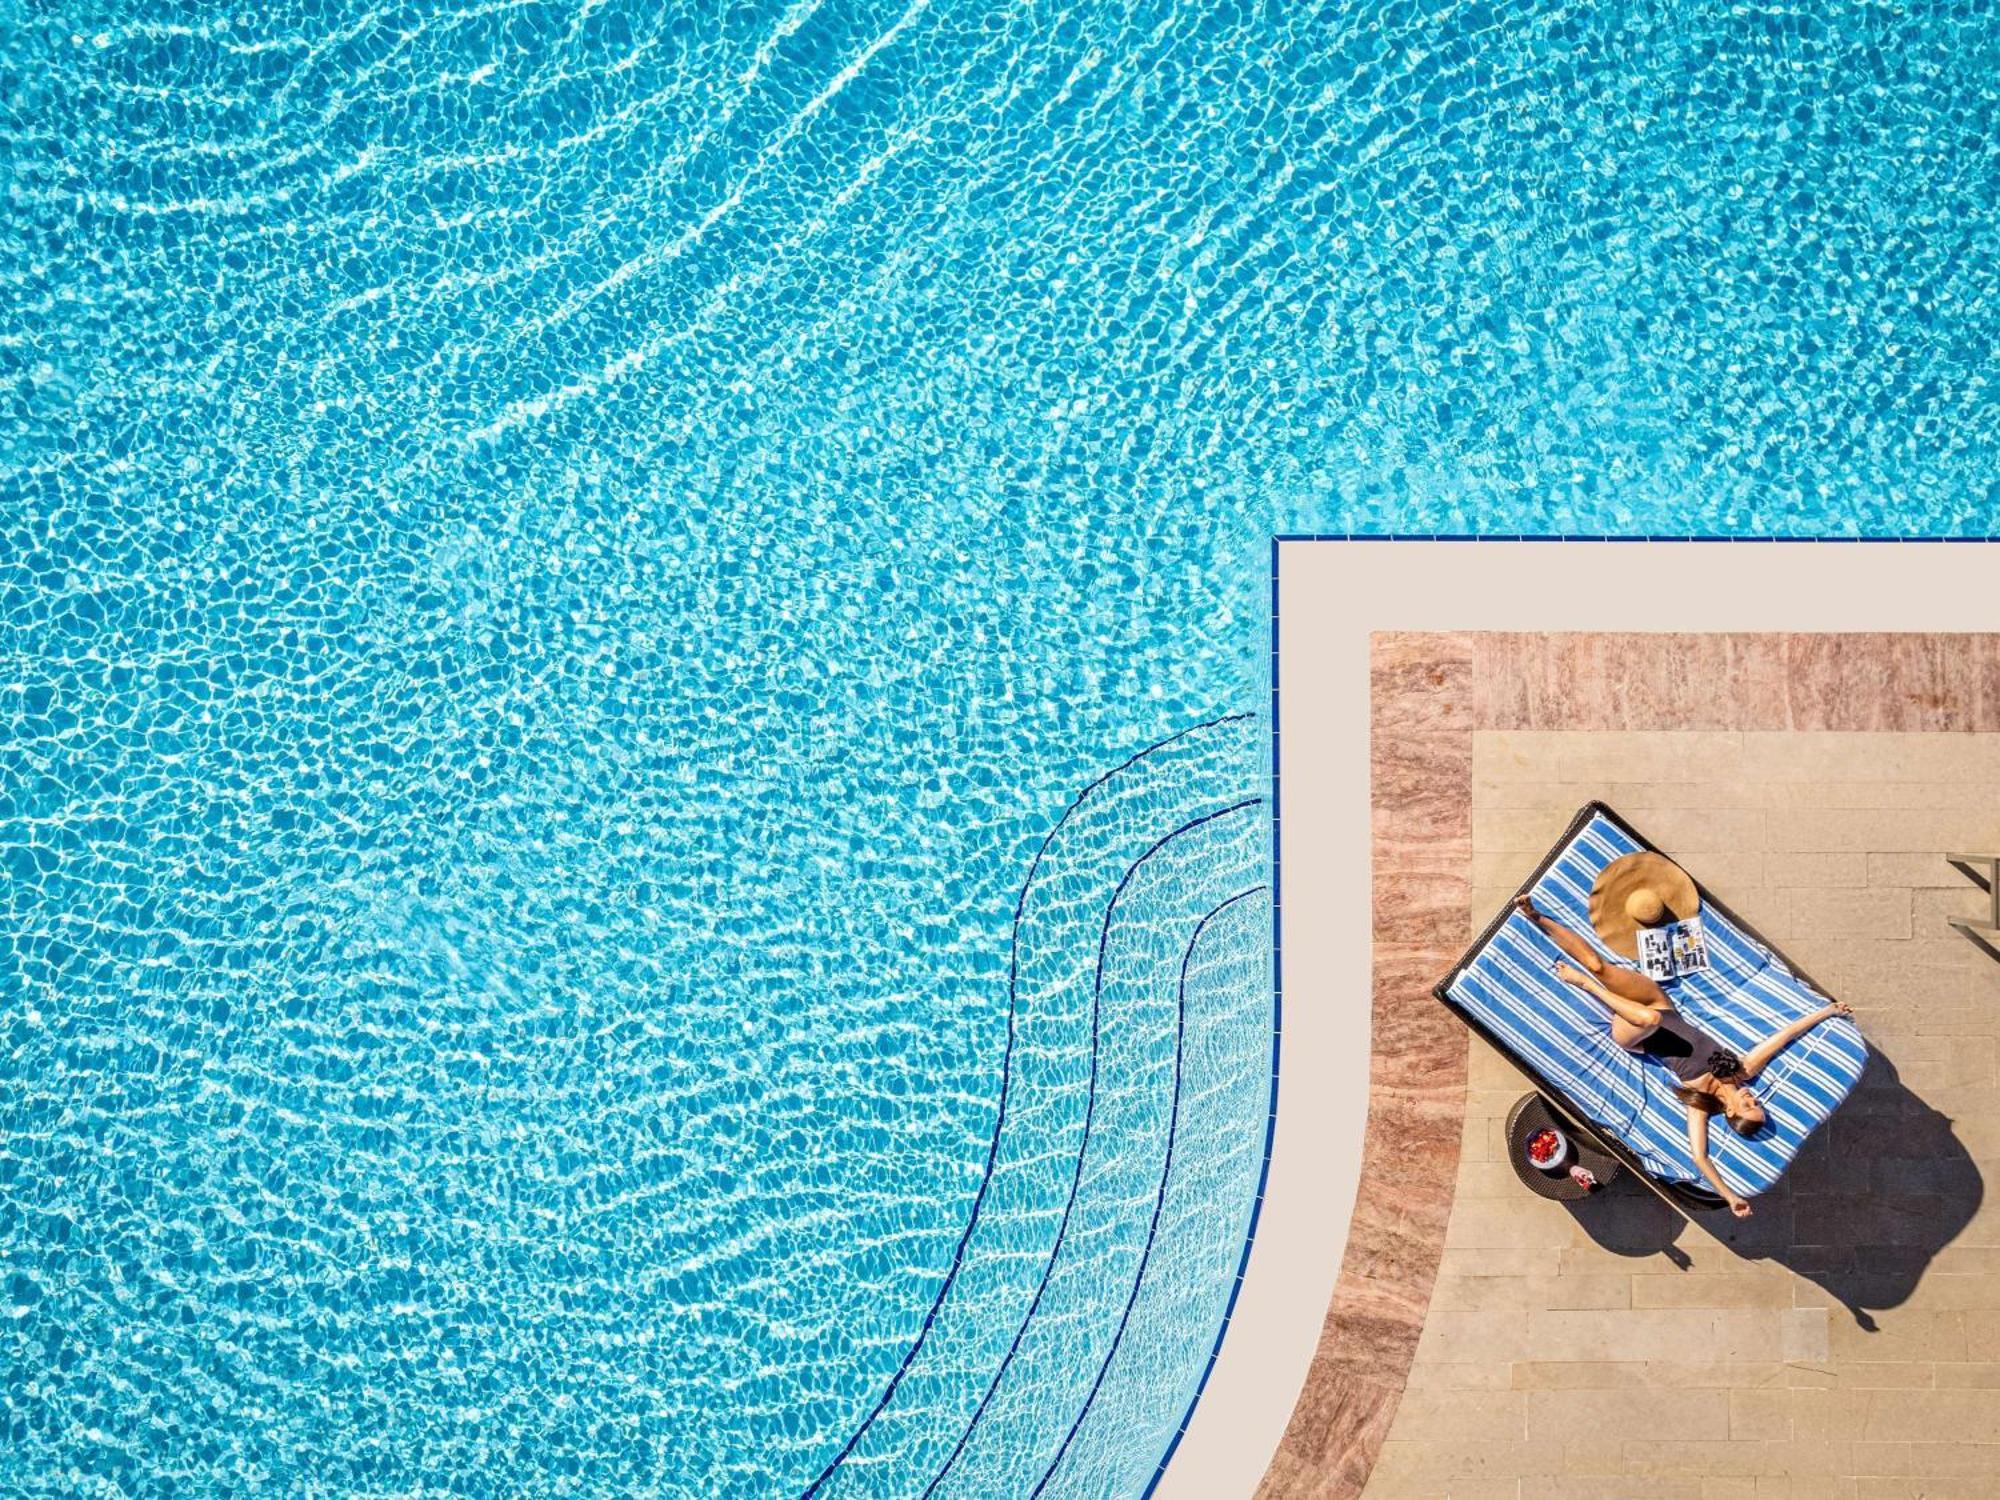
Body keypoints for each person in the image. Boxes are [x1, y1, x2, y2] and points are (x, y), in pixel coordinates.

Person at [1512, 893, 1852, 1218]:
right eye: (1758, 1105)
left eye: (1749, 1107)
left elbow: (1700, 1157)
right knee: (1596, 965)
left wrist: (1730, 1196)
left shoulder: (1699, 1101)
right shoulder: (1742, 1070)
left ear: (1732, 1113)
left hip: (1636, 1033)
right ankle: (1535, 916)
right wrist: (1827, 1012)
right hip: (1662, 1005)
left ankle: (1584, 985)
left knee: (1645, 1016)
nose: (1753, 1099)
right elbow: (1784, 1037)